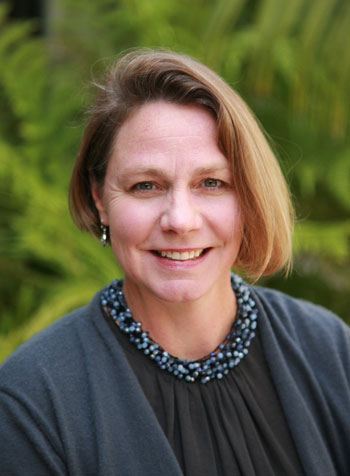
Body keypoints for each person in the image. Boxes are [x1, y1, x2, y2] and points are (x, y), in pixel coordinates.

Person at [0, 49, 349, 476]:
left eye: (212, 183)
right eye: (146, 185)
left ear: (249, 196)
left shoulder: (332, 352)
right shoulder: (32, 400)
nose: (180, 220)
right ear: (99, 198)